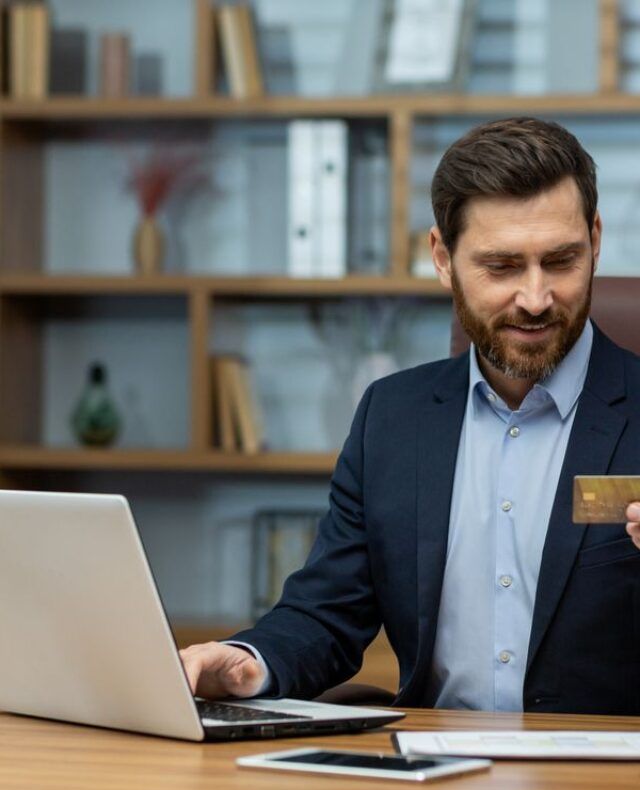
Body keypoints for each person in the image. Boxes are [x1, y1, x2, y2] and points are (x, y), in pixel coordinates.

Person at [180, 117, 640, 715]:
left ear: (596, 240)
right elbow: (328, 613)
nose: (534, 298)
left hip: (608, 785)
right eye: (501, 267)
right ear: (442, 258)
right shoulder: (390, 418)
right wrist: (249, 662)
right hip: (434, 775)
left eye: (560, 261)